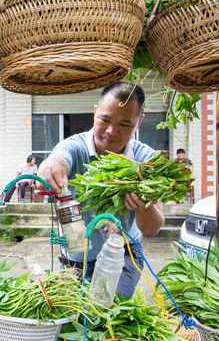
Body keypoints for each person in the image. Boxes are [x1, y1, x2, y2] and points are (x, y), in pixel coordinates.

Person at [37, 81, 164, 298]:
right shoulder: (75, 147)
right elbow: (57, 160)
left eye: (125, 124)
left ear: (139, 122)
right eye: (104, 120)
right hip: (76, 256)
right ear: (95, 112)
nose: (112, 131)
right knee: (70, 317)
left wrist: (143, 206)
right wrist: (49, 169)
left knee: (109, 312)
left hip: (122, 254)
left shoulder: (147, 162)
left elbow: (152, 228)